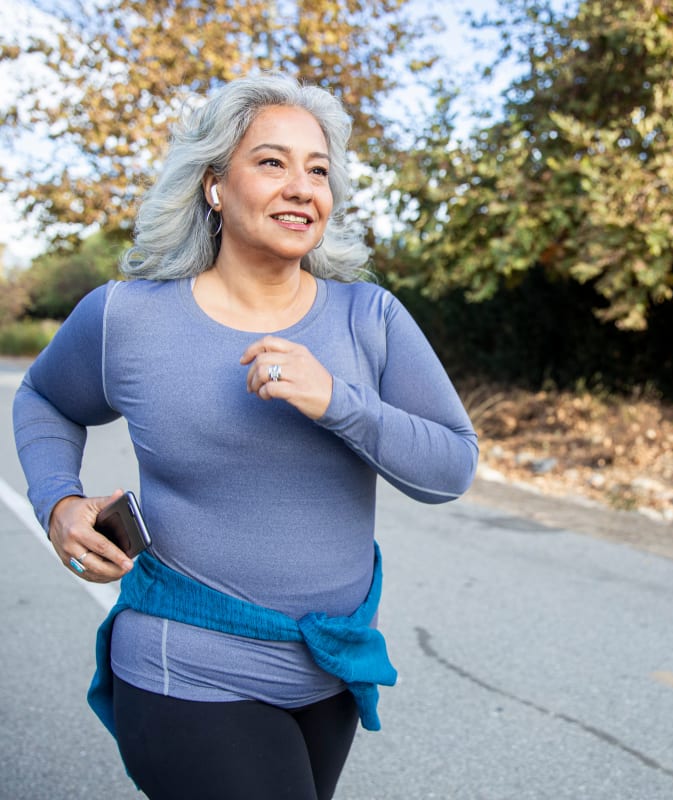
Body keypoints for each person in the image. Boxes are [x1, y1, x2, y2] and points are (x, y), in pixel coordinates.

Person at [12, 72, 479, 800]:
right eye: (272, 162)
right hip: (186, 666)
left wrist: (339, 402)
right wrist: (58, 502)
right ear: (212, 186)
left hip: (330, 672)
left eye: (318, 170)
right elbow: (44, 396)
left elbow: (452, 466)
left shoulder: (371, 318)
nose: (302, 186)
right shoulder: (129, 318)